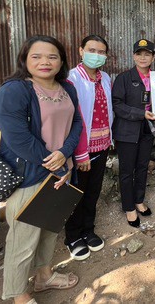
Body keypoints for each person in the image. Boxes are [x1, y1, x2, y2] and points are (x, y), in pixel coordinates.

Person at [0, 35, 82, 304]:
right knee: (23, 239)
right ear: (24, 59)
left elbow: (76, 122)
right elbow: (18, 139)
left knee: (49, 229)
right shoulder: (14, 91)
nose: (45, 61)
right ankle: (19, 295)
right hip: (30, 176)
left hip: (61, 171)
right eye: (37, 56)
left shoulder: (67, 88)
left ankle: (44, 276)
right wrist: (54, 163)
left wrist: (65, 154)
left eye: (52, 56)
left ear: (62, 62)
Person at [63, 35, 112, 260]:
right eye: (92, 50)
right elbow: (73, 117)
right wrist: (80, 153)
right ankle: (73, 236)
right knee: (77, 193)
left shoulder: (105, 78)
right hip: (81, 149)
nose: (97, 55)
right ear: (81, 51)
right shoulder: (71, 79)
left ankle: (88, 230)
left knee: (93, 191)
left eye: (101, 52)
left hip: (102, 144)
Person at [112, 39, 155, 227]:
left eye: (147, 54)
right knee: (127, 170)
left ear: (153, 57)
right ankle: (129, 207)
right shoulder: (124, 78)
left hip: (147, 129)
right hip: (127, 131)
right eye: (139, 54)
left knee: (142, 166)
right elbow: (117, 105)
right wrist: (141, 113)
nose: (143, 58)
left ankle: (139, 200)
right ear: (133, 56)